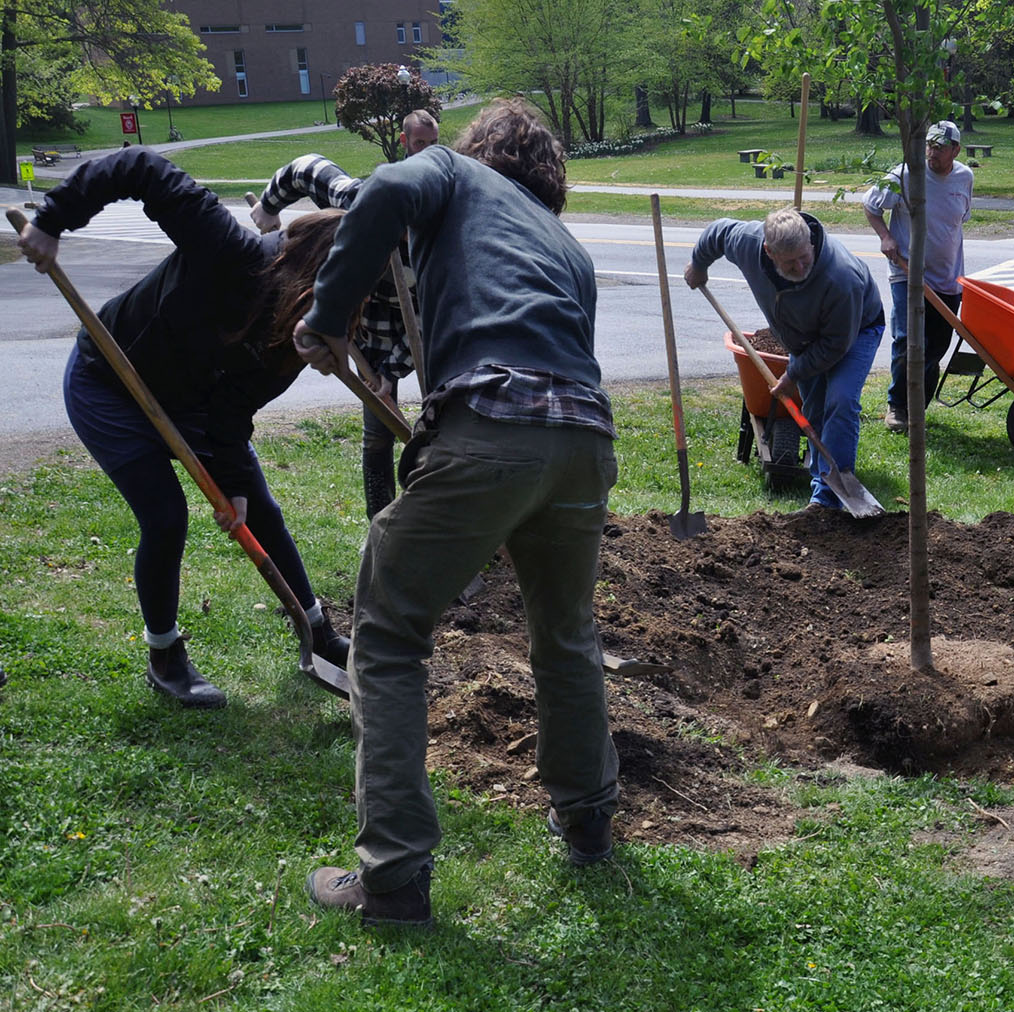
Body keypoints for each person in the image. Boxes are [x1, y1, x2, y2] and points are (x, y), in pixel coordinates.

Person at [294, 99, 620, 928]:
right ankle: (587, 821)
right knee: (566, 632)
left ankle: (394, 877)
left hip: (493, 428)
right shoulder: (565, 244)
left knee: (391, 628)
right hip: (584, 442)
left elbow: (379, 193)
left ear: (479, 150)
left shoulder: (451, 172)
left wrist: (327, 318)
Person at [15, 148, 352, 710]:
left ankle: (316, 631)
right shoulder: (227, 250)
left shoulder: (291, 338)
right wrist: (53, 219)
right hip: (112, 381)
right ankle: (165, 656)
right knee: (166, 516)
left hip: (193, 401)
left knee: (261, 507)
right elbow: (141, 167)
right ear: (303, 282)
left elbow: (232, 409)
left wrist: (234, 485)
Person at [251, 152, 420, 521]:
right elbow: (306, 168)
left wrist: (391, 373)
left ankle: (437, 526)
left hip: (416, 341)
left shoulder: (434, 252)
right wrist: (268, 205)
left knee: (437, 433)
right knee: (377, 436)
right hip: (363, 334)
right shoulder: (363, 202)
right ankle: (381, 526)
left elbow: (425, 322)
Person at [684, 207, 884, 511]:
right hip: (803, 337)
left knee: (840, 401)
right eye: (789, 262)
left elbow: (834, 345)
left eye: (805, 257)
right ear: (768, 251)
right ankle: (822, 488)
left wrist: (792, 374)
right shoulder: (748, 242)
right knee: (815, 408)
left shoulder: (841, 277)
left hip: (856, 331)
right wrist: (699, 265)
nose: (801, 266)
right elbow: (718, 232)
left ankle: (828, 499)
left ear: (811, 244)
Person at [862, 119, 973, 431]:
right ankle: (897, 405)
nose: (931, 152)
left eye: (939, 147)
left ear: (956, 150)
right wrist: (886, 237)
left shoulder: (965, 177)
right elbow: (870, 205)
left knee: (937, 345)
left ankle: (918, 408)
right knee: (909, 340)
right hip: (907, 273)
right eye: (929, 145)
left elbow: (959, 221)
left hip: (949, 279)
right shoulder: (906, 174)